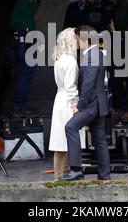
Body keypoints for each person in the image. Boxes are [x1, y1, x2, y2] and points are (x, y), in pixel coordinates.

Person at [64, 26, 110, 181]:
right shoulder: (98, 53)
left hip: (91, 104)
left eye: (77, 39)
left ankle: (76, 169)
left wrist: (80, 105)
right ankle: (104, 176)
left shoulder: (92, 55)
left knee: (70, 127)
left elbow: (88, 84)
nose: (76, 42)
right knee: (100, 140)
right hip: (99, 103)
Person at [48, 28, 85, 180]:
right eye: (76, 38)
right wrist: (76, 105)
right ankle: (66, 174)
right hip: (67, 102)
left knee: (59, 141)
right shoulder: (70, 61)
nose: (79, 41)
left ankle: (59, 175)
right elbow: (71, 86)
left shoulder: (59, 58)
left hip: (60, 99)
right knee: (68, 140)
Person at [10, 0, 42, 117]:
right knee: (26, 73)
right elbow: (30, 12)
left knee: (24, 73)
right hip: (25, 38)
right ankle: (19, 106)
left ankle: (20, 105)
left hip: (18, 38)